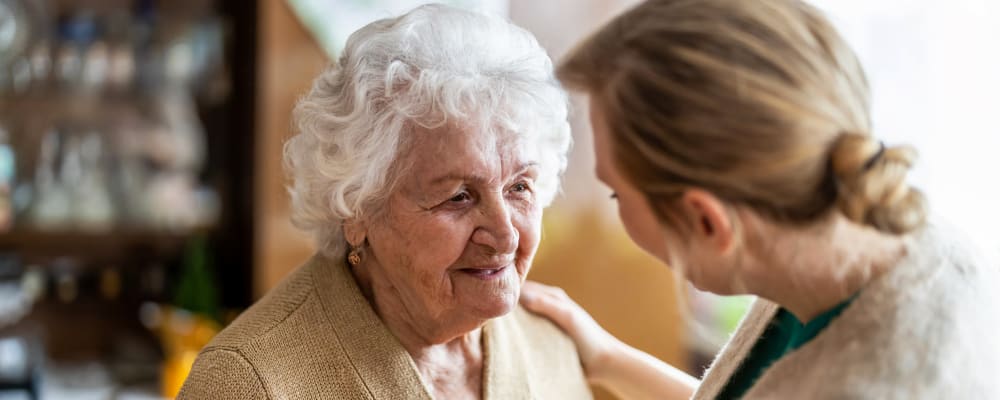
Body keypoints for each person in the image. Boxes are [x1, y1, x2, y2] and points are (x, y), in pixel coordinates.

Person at [519, 0, 1000, 399]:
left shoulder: (889, 383)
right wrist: (607, 358)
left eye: (615, 192)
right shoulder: (875, 243)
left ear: (706, 222)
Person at [178, 5, 591, 399]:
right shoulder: (248, 382)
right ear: (356, 208)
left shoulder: (550, 344)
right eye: (459, 197)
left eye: (519, 187)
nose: (504, 236)